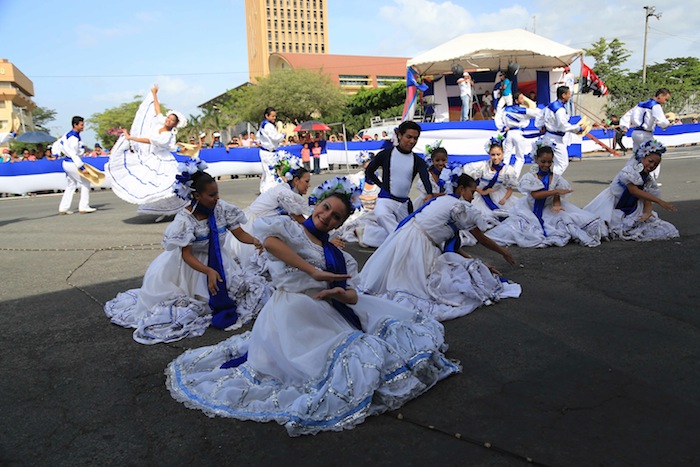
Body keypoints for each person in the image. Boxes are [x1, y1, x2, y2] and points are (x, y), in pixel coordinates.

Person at [165, 177, 460, 436]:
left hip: (325, 310)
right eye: (326, 208)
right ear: (317, 204)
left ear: (340, 224)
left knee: (368, 350)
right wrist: (313, 272)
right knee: (336, 362)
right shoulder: (287, 227)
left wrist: (341, 294)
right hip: (290, 311)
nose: (327, 217)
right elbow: (270, 243)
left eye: (336, 217)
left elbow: (352, 295)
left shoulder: (338, 255)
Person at [105, 159, 272, 344]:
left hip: (219, 260)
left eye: (217, 193)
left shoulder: (222, 208)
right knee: (197, 304)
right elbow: (186, 255)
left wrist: (255, 241)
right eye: (211, 195)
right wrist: (208, 271)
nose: (217, 198)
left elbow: (239, 233)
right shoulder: (185, 220)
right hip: (191, 268)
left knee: (243, 292)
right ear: (196, 195)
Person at [358, 173, 519, 321]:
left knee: (395, 274)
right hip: (419, 243)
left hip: (406, 235)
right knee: (412, 284)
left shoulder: (443, 199)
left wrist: (473, 261)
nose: (472, 197)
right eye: (472, 192)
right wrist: (503, 252)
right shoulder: (460, 207)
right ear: (461, 189)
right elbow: (481, 238)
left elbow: (452, 245)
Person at [487, 142, 601, 248]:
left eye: (549, 162)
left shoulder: (556, 177)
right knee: (518, 228)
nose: (546, 165)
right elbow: (536, 195)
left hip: (548, 207)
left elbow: (557, 194)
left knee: (566, 221)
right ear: (537, 159)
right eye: (543, 161)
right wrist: (555, 192)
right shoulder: (530, 177)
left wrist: (557, 204)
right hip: (530, 208)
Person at [106, 85, 189, 219]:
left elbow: (149, 140)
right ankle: (164, 209)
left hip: (163, 160)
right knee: (151, 183)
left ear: (175, 124)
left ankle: (178, 208)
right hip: (152, 157)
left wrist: (131, 138)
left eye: (172, 120)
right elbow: (157, 110)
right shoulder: (161, 122)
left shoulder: (167, 136)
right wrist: (154, 94)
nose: (168, 120)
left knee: (167, 185)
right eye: (168, 118)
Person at [228, 152, 310, 269]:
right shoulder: (284, 193)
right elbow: (299, 218)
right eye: (306, 181)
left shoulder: (285, 190)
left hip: (262, 223)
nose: (309, 185)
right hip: (253, 224)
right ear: (296, 180)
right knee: (253, 263)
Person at [584, 140, 679, 241]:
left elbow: (647, 198)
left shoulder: (647, 179)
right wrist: (659, 201)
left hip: (634, 206)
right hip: (613, 203)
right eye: (650, 161)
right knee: (601, 226)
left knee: (659, 227)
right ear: (643, 157)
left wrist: (647, 212)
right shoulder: (630, 171)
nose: (652, 166)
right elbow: (633, 191)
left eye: (655, 165)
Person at [363, 120, 434, 243]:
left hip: (403, 204)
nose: (412, 141)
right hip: (385, 200)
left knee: (407, 232)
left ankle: (367, 234)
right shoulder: (385, 154)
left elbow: (425, 178)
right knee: (382, 215)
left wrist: (429, 194)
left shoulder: (418, 161)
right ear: (399, 135)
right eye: (409, 137)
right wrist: (381, 185)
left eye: (415, 138)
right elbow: (369, 171)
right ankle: (402, 241)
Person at [620, 88, 671, 181]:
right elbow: (662, 120)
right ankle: (650, 180)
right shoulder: (655, 106)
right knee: (654, 156)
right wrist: (666, 124)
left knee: (636, 156)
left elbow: (628, 115)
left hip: (635, 133)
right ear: (660, 96)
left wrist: (624, 125)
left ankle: (625, 175)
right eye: (665, 99)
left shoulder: (640, 104)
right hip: (645, 134)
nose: (665, 102)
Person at [463, 137, 519, 221]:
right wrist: (483, 192)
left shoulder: (507, 170)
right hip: (481, 195)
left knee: (509, 215)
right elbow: (471, 182)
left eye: (498, 154)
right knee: (483, 216)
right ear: (489, 154)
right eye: (493, 155)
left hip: (498, 194)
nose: (496, 157)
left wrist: (504, 199)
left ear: (503, 154)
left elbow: (509, 189)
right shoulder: (483, 166)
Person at [536, 86, 583, 175]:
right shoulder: (559, 109)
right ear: (563, 95)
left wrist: (542, 126)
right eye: (569, 94)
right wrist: (577, 128)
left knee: (550, 162)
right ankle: (551, 180)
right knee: (562, 163)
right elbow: (563, 126)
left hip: (548, 137)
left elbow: (539, 116)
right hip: (555, 139)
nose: (569, 96)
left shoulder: (550, 106)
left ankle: (548, 179)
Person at [54, 116, 96, 215]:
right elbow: (73, 154)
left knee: (71, 185)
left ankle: (63, 208)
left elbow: (57, 144)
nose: (83, 127)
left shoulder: (68, 134)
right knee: (85, 182)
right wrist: (82, 167)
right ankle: (84, 206)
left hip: (67, 162)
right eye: (81, 125)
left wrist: (56, 153)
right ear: (75, 125)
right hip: (72, 162)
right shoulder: (73, 138)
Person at [494, 91, 542, 176]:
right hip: (518, 134)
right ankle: (514, 176)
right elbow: (539, 113)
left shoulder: (505, 109)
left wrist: (502, 127)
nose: (524, 100)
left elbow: (497, 117)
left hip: (509, 134)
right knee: (520, 158)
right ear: (516, 100)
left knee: (506, 156)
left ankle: (502, 175)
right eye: (521, 98)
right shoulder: (524, 110)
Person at [257, 107, 286, 194]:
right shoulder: (268, 126)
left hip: (266, 151)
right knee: (270, 172)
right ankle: (268, 192)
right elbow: (274, 137)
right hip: (268, 152)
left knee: (266, 173)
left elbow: (258, 136)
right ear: (267, 116)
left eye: (275, 116)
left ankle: (263, 190)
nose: (274, 118)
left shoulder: (263, 125)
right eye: (272, 116)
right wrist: (283, 136)